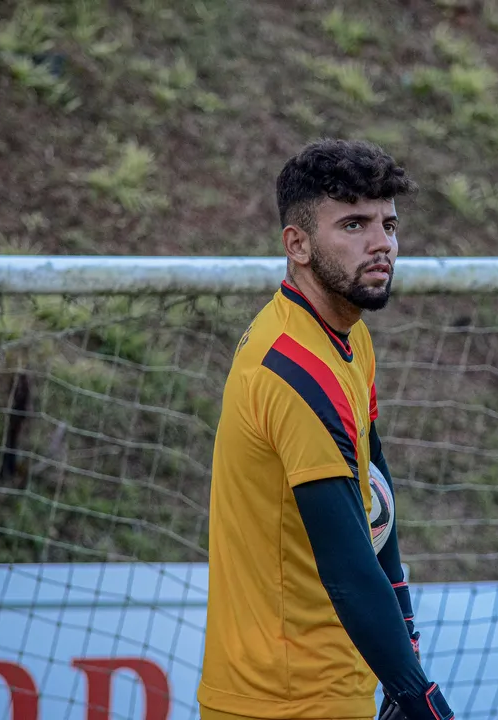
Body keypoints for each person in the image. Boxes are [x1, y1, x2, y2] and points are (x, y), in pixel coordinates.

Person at [197, 138, 456, 720]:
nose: (381, 244)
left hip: (332, 686)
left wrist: (404, 645)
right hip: (282, 700)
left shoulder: (345, 332)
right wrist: (422, 700)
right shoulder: (296, 369)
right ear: (299, 245)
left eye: (388, 224)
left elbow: (376, 488)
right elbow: (346, 567)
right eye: (354, 225)